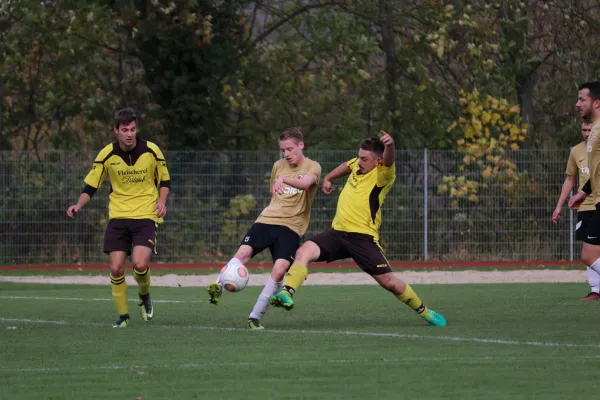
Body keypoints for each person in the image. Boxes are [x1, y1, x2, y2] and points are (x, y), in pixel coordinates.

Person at [269, 131, 446, 327]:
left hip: (362, 238)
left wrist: (391, 146)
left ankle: (424, 310)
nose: (359, 162)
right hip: (337, 233)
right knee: (303, 252)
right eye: (359, 157)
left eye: (364, 159)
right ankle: (287, 292)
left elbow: (388, 161)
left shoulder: (382, 175)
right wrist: (328, 178)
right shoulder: (358, 165)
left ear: (377, 160)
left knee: (389, 282)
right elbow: (347, 165)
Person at [207, 128, 321, 330]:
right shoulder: (278, 165)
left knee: (279, 270)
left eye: (290, 149)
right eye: (283, 150)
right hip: (267, 219)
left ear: (301, 145)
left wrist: (284, 179)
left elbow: (305, 184)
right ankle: (218, 286)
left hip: (291, 227)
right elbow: (275, 195)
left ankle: (255, 317)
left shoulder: (313, 166)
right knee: (243, 252)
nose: (286, 154)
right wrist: (280, 180)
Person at [66, 108, 171, 328]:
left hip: (145, 215)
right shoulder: (106, 155)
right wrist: (78, 204)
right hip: (118, 217)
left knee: (140, 265)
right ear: (116, 131)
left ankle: (144, 296)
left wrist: (161, 202)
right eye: (124, 130)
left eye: (133, 129)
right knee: (115, 269)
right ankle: (123, 317)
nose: (129, 134)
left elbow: (165, 182)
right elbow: (91, 185)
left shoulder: (151, 151)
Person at [553, 121, 599, 300]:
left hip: (599, 203)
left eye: (590, 129)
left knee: (593, 249)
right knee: (588, 247)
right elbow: (570, 180)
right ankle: (595, 289)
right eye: (584, 130)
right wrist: (559, 205)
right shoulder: (577, 151)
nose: (587, 133)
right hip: (586, 206)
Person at [570, 82, 600, 295]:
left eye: (582, 99)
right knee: (590, 254)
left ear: (596, 102)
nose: (577, 104)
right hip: (596, 199)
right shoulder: (595, 131)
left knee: (588, 256)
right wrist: (583, 192)